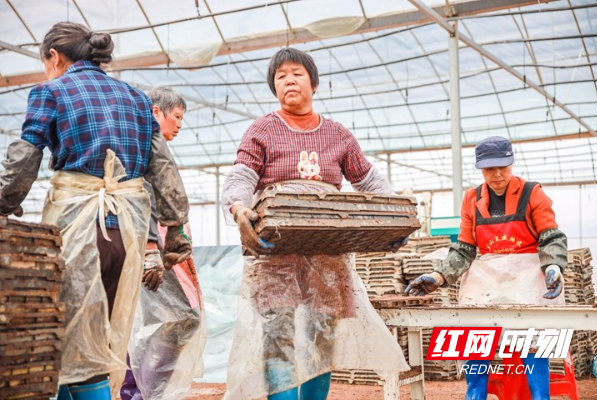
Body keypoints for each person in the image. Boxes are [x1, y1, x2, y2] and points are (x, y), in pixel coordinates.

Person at [0, 22, 191, 400]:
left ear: (54, 56)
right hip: (128, 235)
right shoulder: (136, 99)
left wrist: (3, 203)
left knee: (75, 340)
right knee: (97, 334)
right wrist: (176, 229)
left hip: (80, 230)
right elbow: (163, 168)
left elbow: (24, 160)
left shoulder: (50, 92)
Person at [221, 47, 409, 400]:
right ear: (273, 87)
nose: (288, 80)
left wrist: (395, 220)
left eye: (297, 73)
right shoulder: (261, 129)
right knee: (278, 333)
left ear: (314, 83)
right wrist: (237, 208)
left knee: (323, 336)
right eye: (280, 76)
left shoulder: (338, 135)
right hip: (275, 252)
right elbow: (241, 176)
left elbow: (370, 182)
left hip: (328, 253)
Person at [406, 136, 567, 400]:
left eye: (503, 166)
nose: (497, 174)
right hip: (490, 277)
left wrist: (553, 266)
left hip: (529, 277)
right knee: (470, 333)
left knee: (534, 340)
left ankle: (540, 396)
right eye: (490, 168)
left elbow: (551, 236)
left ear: (511, 163)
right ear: (481, 168)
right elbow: (465, 249)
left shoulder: (532, 193)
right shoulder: (472, 199)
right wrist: (439, 275)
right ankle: (475, 393)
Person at [120, 87, 206, 400]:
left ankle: (138, 391)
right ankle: (147, 391)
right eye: (177, 117)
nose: (180, 124)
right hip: (153, 246)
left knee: (146, 322)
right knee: (182, 319)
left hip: (151, 244)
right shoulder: (146, 144)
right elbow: (147, 196)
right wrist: (155, 248)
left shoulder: (139, 142)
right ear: (157, 112)